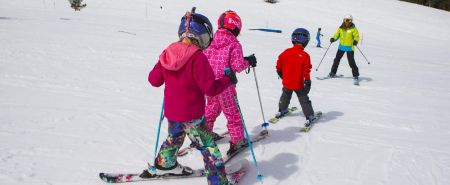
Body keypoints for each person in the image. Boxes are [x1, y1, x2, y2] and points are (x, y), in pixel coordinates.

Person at [142, 9, 237, 185]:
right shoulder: (197, 57)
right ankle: (218, 182)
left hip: (172, 113)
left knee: (175, 137)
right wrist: (227, 79)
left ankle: (166, 163)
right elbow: (210, 88)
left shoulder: (168, 52)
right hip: (193, 117)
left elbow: (154, 80)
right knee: (208, 148)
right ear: (202, 35)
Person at [203, 10, 257, 156]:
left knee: (211, 108)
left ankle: (205, 134)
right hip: (225, 84)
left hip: (209, 83)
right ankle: (237, 140)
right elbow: (238, 66)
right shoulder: (234, 43)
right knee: (232, 112)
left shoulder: (209, 40)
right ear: (236, 27)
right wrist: (248, 61)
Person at [275, 28, 317, 124]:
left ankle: (282, 109)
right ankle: (309, 115)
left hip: (287, 82)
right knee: (303, 99)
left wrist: (280, 73)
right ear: (306, 41)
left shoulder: (286, 52)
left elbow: (279, 64)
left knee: (285, 96)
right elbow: (306, 70)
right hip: (299, 84)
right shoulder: (305, 55)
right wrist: (308, 81)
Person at [328, 14, 360, 83]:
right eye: (346, 20)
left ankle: (356, 75)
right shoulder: (341, 28)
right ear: (344, 20)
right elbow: (337, 35)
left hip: (349, 48)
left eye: (349, 20)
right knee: (336, 60)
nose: (347, 22)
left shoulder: (353, 29)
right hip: (341, 47)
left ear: (351, 21)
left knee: (351, 62)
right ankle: (332, 72)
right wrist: (333, 38)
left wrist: (355, 41)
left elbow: (356, 36)